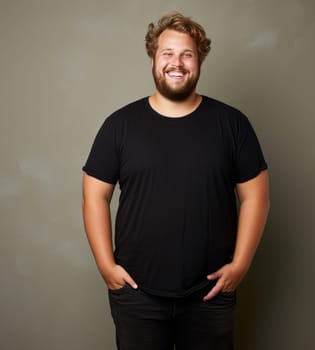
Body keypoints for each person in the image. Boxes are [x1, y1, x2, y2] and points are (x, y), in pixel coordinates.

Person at [82, 12, 270, 350]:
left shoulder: (232, 124)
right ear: (153, 58)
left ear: (199, 60)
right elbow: (94, 195)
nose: (177, 62)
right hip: (136, 293)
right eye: (167, 53)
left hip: (210, 293)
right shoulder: (119, 126)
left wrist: (240, 265)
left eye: (187, 53)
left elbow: (256, 196)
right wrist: (106, 266)